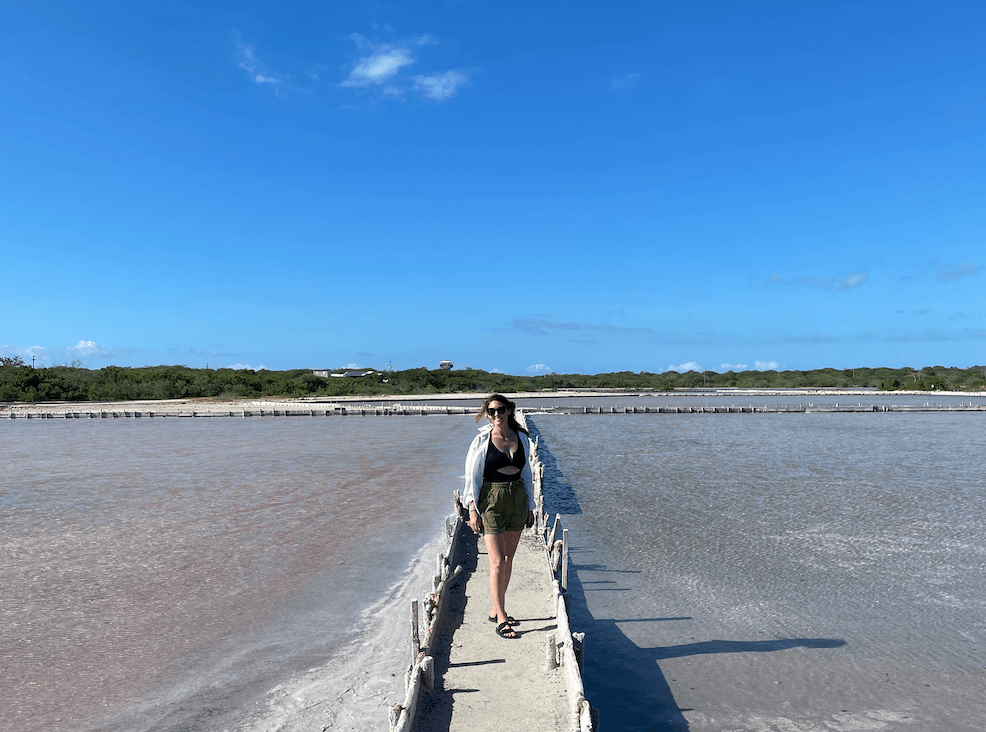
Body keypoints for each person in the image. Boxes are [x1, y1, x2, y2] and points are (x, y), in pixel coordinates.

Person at [463, 394, 536, 639]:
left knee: (507, 559)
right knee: (495, 561)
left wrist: (530, 506)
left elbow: (527, 475)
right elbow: (471, 477)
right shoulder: (482, 440)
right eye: (491, 411)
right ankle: (502, 617)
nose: (495, 415)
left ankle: (497, 608)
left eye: (499, 410)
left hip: (517, 496)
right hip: (491, 498)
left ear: (509, 411)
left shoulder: (522, 438)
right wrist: (473, 509)